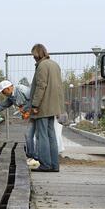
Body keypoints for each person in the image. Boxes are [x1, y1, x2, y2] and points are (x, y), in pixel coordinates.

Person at [0, 80, 38, 166]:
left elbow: (35, 99)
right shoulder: (11, 96)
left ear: (8, 88)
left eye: (3, 91)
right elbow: (1, 105)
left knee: (37, 136)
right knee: (28, 135)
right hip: (31, 115)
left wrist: (24, 108)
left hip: (38, 113)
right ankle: (31, 157)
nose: (3, 93)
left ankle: (37, 157)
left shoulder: (22, 89)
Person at [29, 43, 65, 172]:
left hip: (43, 106)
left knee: (42, 135)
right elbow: (59, 86)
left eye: (33, 55)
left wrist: (35, 104)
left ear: (37, 54)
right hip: (53, 105)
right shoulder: (55, 65)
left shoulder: (42, 66)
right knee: (51, 136)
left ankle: (45, 164)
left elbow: (41, 86)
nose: (33, 58)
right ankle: (54, 165)